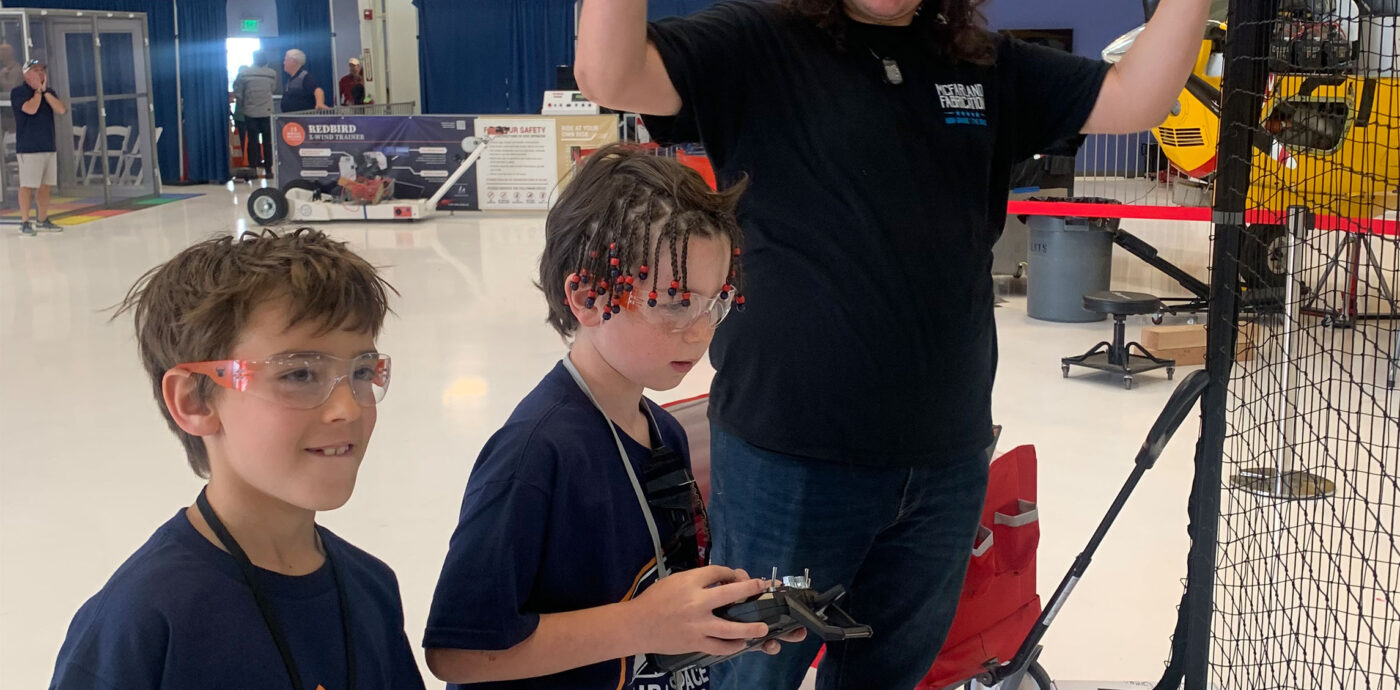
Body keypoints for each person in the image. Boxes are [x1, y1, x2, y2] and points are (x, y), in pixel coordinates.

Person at [575, 0, 1211, 688]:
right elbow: (610, 75)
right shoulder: (755, 47)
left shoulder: (983, 65)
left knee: (891, 675)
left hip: (943, 462)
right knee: (754, 675)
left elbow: (1139, 99)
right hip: (790, 460)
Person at [423, 145, 801, 690]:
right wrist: (638, 626)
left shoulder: (662, 430)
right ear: (588, 296)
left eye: (716, 302)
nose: (701, 330)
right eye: (675, 301)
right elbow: (457, 651)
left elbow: (657, 602)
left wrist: (716, 622)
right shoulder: (536, 452)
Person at [48, 228, 425, 690]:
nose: (348, 407)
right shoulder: (143, 623)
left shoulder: (371, 589)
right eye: (300, 373)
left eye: (362, 371)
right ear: (194, 401)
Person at [11, 58, 66, 236]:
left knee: (45, 186)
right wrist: (37, 94)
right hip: (29, 148)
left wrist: (45, 92)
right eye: (35, 70)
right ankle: (25, 221)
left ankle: (42, 219)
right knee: (27, 185)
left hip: (48, 145)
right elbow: (30, 109)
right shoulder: (18, 92)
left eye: (42, 70)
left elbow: (61, 110)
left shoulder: (48, 92)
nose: (40, 73)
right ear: (26, 74)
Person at [233, 51, 278, 177]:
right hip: (267, 111)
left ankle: (253, 169)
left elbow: (238, 91)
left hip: (250, 111)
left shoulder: (244, 73)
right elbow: (272, 89)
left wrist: (243, 104)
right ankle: (269, 169)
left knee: (252, 142)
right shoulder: (272, 73)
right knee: (267, 141)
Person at [282, 48, 329, 113]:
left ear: (294, 61)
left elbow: (318, 90)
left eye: (285, 60)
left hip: (302, 120)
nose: (284, 63)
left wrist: (320, 103)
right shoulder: (290, 79)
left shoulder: (304, 77)